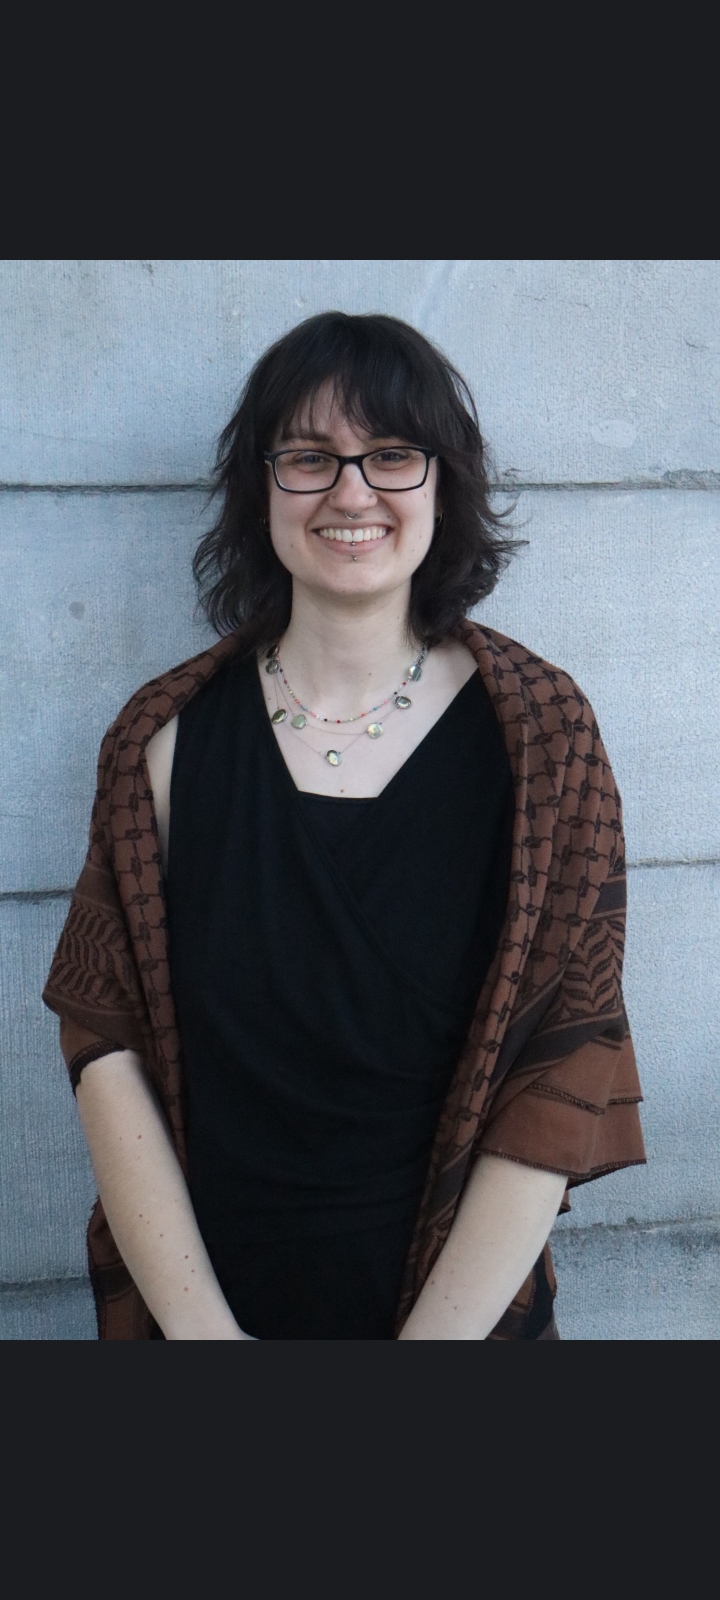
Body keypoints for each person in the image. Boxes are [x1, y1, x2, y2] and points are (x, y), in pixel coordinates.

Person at [43, 312, 645, 1340]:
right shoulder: (160, 740)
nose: (352, 493)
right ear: (262, 487)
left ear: (444, 483)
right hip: (206, 1315)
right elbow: (107, 1045)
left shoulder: (543, 737)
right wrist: (204, 1338)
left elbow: (567, 1059)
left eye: (392, 455)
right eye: (310, 457)